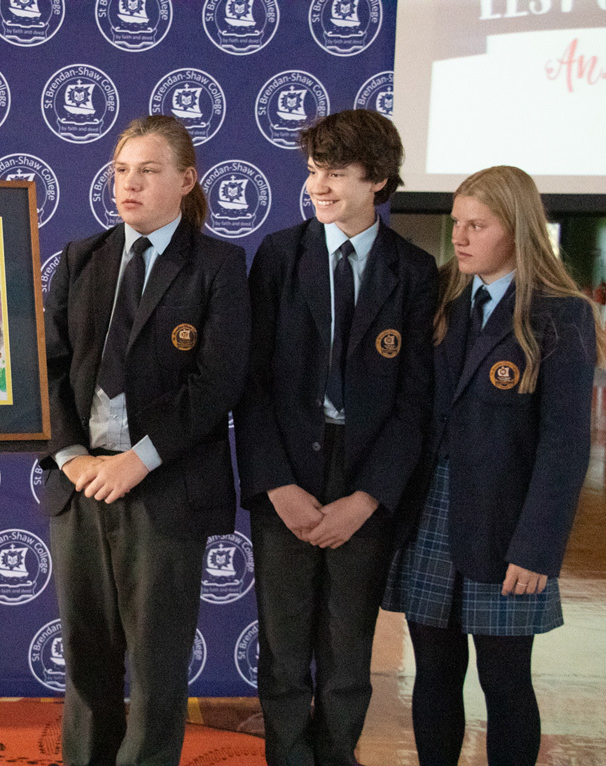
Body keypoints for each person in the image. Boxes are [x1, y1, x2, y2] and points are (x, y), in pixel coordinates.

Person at [37, 114, 249, 765]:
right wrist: (71, 457)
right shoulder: (81, 258)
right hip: (79, 490)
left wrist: (139, 459)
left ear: (186, 180)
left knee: (157, 671)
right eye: (121, 170)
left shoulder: (218, 265)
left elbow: (217, 383)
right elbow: (46, 368)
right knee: (86, 664)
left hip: (165, 491)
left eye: (148, 171)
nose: (129, 184)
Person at [233, 109, 438, 765]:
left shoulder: (413, 270)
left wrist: (368, 497)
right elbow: (250, 384)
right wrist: (277, 485)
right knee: (283, 649)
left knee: (348, 652)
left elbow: (415, 403)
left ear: (377, 180)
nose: (317, 186)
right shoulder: (277, 256)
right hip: (287, 470)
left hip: (364, 474)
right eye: (313, 170)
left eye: (336, 173)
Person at [382, 165, 605, 766]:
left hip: (509, 529)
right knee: (433, 674)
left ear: (517, 229)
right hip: (430, 518)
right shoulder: (444, 297)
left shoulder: (562, 314)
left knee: (504, 681)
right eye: (457, 222)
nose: (459, 236)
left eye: (477, 225)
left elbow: (565, 446)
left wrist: (537, 548)